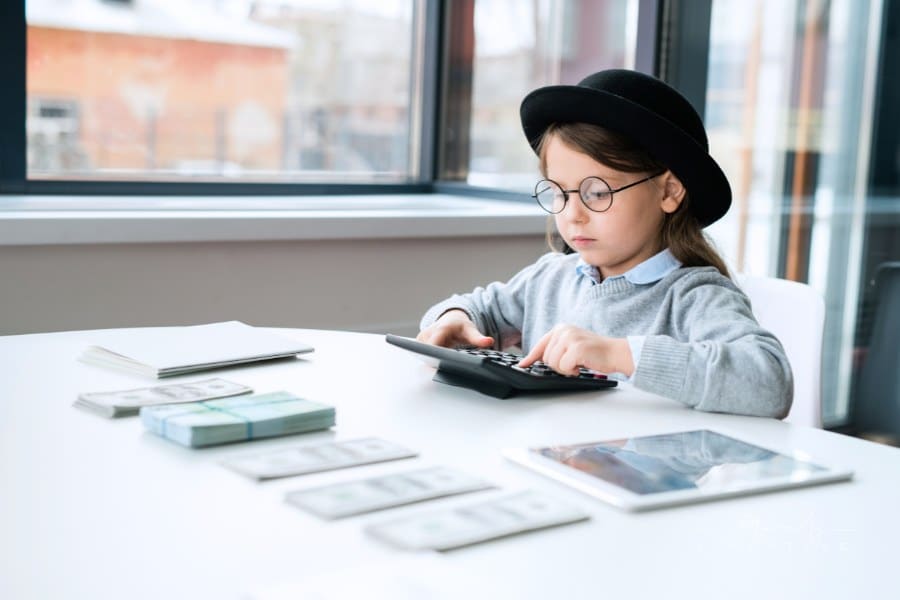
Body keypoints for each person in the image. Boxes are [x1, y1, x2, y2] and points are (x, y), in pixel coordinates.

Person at [417, 69, 793, 418]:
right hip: (549, 464)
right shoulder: (550, 279)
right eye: (559, 193)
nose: (572, 214)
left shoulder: (695, 296)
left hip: (649, 482)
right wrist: (454, 321)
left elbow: (769, 383)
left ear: (669, 191)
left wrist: (620, 355)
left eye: (597, 193)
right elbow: (475, 308)